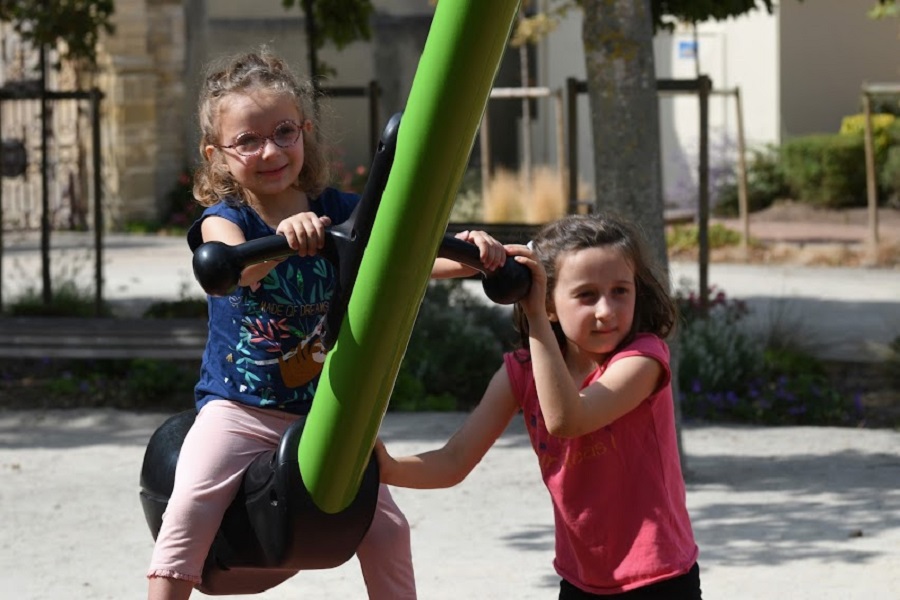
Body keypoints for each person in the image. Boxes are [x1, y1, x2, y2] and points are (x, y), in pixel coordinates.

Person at [146, 46, 506, 600]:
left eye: (284, 132)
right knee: (190, 508)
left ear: (305, 132)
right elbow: (232, 268)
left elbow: (402, 257)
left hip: (325, 417)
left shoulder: (339, 210)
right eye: (247, 140)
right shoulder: (227, 219)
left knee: (387, 530)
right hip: (238, 409)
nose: (270, 150)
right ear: (216, 155)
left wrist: (475, 253)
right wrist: (286, 244)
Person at [376, 213, 702, 599]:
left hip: (659, 578)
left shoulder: (643, 359)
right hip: (581, 580)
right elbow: (453, 460)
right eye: (586, 295)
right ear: (550, 304)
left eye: (620, 291)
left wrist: (532, 316)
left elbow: (568, 419)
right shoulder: (522, 374)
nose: (606, 310)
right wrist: (387, 468)